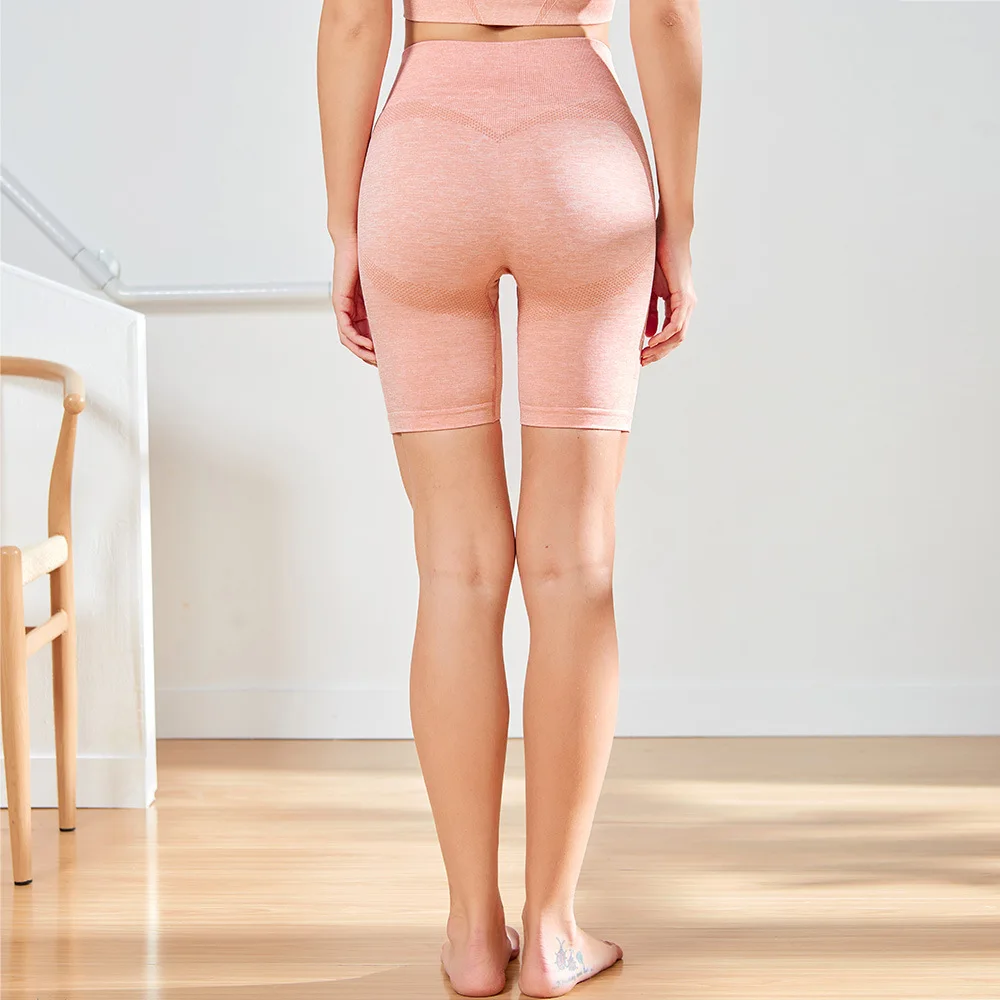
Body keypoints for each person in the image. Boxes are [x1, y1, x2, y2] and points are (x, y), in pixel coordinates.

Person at [317, 1, 701, 995]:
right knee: (576, 567)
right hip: (581, 153)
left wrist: (345, 226)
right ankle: (555, 929)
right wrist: (679, 225)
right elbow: (664, 15)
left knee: (455, 569)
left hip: (422, 157)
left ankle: (473, 934)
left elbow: (355, 21)